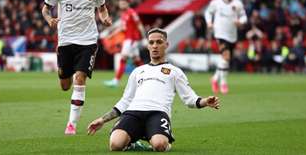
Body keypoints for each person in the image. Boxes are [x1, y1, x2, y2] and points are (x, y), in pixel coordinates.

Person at [87, 28, 220, 152]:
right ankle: (133, 143)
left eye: (159, 42)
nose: (155, 45)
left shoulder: (175, 72)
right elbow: (125, 101)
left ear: (166, 45)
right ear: (148, 46)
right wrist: (102, 120)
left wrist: (205, 101)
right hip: (133, 113)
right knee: (115, 145)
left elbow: (190, 99)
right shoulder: (138, 71)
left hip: (157, 113)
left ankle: (163, 137)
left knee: (159, 145)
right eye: (151, 42)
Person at [42, 0, 112, 135]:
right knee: (65, 85)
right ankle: (67, 74)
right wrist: (50, 20)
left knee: (80, 77)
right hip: (65, 40)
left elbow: (102, 8)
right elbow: (45, 9)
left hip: (88, 40)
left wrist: (105, 17)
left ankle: (71, 124)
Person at [205, 0, 247, 94]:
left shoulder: (237, 4)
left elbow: (244, 16)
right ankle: (223, 83)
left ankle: (214, 79)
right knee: (226, 57)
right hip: (220, 34)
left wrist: (240, 22)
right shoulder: (216, 3)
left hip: (232, 35)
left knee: (225, 60)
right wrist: (209, 22)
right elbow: (208, 13)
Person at [104, 0, 146, 87]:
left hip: (131, 40)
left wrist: (143, 37)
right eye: (120, 4)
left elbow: (139, 25)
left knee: (123, 59)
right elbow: (123, 28)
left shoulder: (132, 12)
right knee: (137, 60)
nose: (122, 5)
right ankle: (147, 77)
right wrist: (111, 35)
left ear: (128, 3)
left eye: (123, 3)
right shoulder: (124, 14)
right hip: (128, 39)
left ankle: (116, 81)